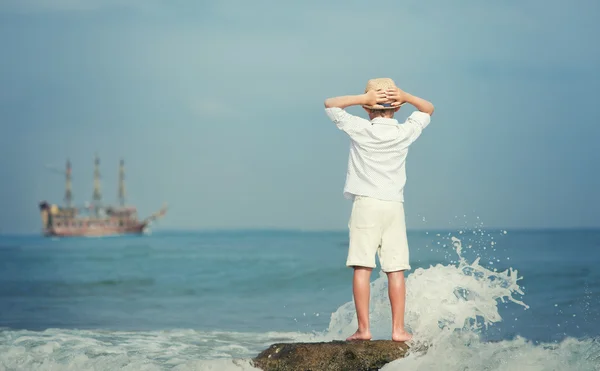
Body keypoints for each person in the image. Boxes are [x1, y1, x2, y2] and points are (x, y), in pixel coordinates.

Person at [323, 77, 434, 342]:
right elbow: (428, 109)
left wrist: (363, 99)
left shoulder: (360, 127)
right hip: (394, 205)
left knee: (363, 267)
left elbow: (330, 105)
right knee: (396, 269)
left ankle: (364, 329)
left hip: (367, 204)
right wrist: (405, 94)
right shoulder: (404, 131)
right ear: (396, 108)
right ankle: (398, 330)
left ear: (367, 107)